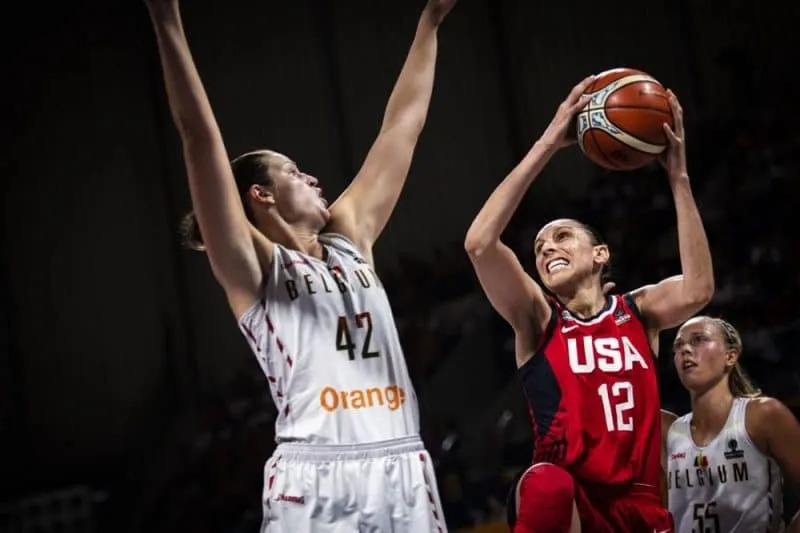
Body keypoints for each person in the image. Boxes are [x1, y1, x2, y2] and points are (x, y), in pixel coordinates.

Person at [143, 0, 457, 530]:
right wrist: (167, 21)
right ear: (261, 196)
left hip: (403, 464)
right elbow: (199, 139)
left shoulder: (350, 238)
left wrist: (431, 20)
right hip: (317, 477)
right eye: (294, 171)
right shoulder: (253, 268)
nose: (313, 178)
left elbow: (402, 126)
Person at [464, 75, 714, 533]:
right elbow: (481, 244)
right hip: (571, 498)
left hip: (637, 499)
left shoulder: (638, 312)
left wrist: (678, 178)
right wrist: (547, 142)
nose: (546, 249)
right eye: (539, 246)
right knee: (546, 484)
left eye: (562, 237)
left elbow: (699, 288)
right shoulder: (537, 318)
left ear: (600, 254)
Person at [666, 316, 800, 532]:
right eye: (678, 345)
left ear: (730, 355)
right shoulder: (670, 431)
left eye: (698, 340)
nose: (685, 350)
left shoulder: (763, 415)